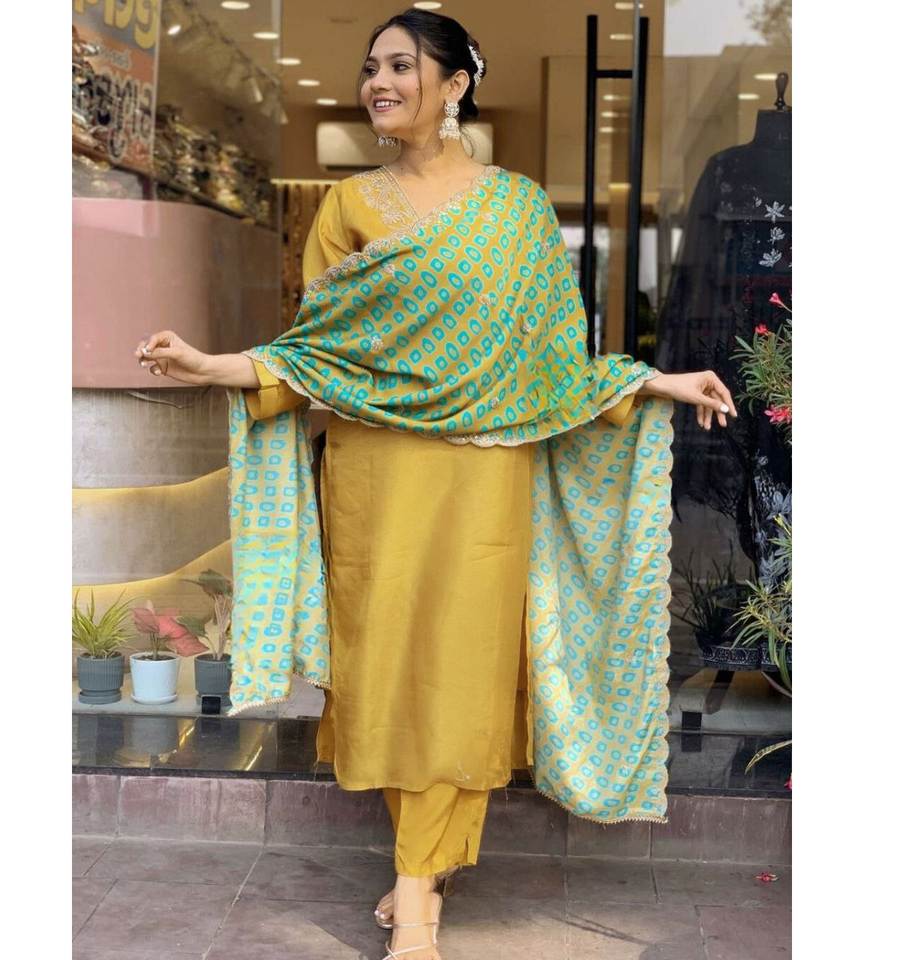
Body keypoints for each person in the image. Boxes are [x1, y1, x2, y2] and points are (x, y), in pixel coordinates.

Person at [132, 9, 736, 959]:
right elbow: (317, 357)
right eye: (370, 67)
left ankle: (417, 895)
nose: (378, 82)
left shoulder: (519, 209)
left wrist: (655, 381)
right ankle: (431, 858)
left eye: (401, 66)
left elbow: (552, 366)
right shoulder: (347, 208)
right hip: (376, 479)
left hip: (484, 479)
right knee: (389, 679)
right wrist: (213, 365)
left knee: (462, 676)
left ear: (455, 84)